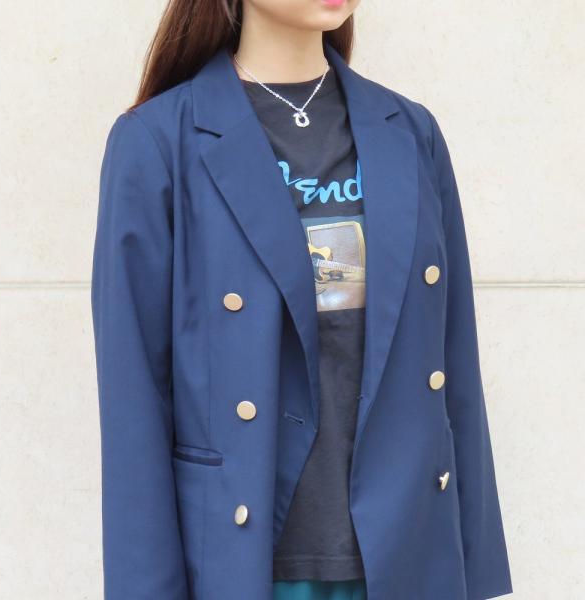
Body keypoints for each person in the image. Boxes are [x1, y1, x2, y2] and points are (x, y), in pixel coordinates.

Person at [91, 1, 513, 599]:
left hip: (406, 555)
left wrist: (475, 566)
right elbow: (133, 396)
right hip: (246, 562)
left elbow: (454, 360)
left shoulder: (411, 131)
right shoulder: (158, 142)